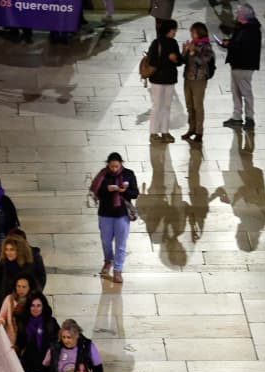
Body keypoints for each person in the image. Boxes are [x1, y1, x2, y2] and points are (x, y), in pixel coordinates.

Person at [89, 152, 138, 285]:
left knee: (121, 244)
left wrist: (124, 191)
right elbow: (96, 192)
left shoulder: (128, 174)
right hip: (105, 213)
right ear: (108, 165)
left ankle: (118, 270)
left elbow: (135, 193)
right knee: (106, 241)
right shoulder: (102, 175)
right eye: (112, 166)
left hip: (122, 214)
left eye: (116, 166)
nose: (114, 169)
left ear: (121, 164)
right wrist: (107, 190)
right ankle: (108, 260)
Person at [221, 4, 261, 130]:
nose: (236, 14)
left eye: (238, 12)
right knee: (236, 91)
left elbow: (241, 46)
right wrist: (229, 42)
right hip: (237, 64)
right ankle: (237, 117)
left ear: (244, 16)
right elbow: (237, 42)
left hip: (244, 65)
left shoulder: (250, 30)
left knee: (246, 92)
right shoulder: (245, 26)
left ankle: (250, 118)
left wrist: (228, 44)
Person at [146, 20, 181, 144]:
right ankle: (153, 132)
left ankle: (165, 132)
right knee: (157, 106)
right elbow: (152, 62)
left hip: (170, 79)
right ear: (168, 30)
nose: (175, 32)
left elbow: (179, 61)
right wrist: (168, 58)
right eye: (174, 29)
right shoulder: (156, 43)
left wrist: (177, 58)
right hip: (158, 80)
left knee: (167, 106)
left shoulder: (174, 43)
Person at [181, 23, 216, 143]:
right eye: (191, 32)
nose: (191, 34)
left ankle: (199, 132)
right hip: (188, 78)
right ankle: (191, 128)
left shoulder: (206, 46)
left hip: (199, 80)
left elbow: (204, 61)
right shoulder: (193, 44)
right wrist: (184, 52)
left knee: (198, 106)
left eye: (193, 32)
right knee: (189, 105)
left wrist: (192, 53)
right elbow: (185, 61)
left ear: (200, 32)